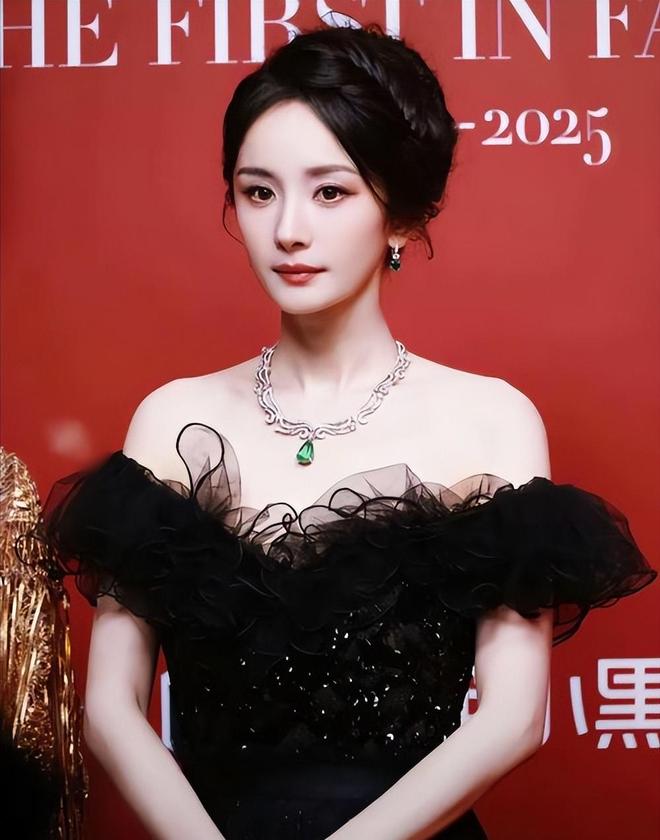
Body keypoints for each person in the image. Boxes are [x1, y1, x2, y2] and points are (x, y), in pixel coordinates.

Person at [27, 22, 656, 840]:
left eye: (330, 192)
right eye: (259, 192)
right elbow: (112, 709)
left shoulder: (490, 420)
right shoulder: (173, 418)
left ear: (399, 216)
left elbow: (513, 718)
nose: (288, 229)